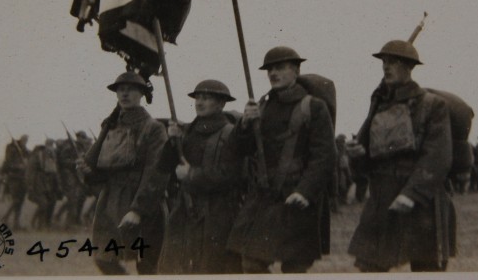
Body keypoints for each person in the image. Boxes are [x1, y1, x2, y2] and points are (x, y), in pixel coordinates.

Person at [347, 40, 455, 272]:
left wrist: (411, 194)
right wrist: (357, 155)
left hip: (420, 200)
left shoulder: (432, 105)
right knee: (369, 266)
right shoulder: (378, 104)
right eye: (384, 62)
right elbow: (368, 159)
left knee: (426, 269)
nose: (386, 67)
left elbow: (437, 157)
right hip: (382, 198)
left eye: (394, 62)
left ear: (409, 67)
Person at [227, 46, 336, 273]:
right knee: (252, 262)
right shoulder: (262, 106)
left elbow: (324, 155)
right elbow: (240, 150)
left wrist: (305, 191)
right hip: (265, 197)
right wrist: (245, 124)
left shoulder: (313, 106)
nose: (273, 73)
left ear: (296, 71)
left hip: (297, 198)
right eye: (270, 69)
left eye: (280, 67)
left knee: (294, 267)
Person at [77, 72, 168, 275]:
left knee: (147, 266)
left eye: (131, 89)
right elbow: (103, 171)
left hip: (144, 204)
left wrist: (138, 210)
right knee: (104, 258)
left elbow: (156, 173)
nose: (125, 93)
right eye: (120, 89)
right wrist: (88, 172)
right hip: (110, 203)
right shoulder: (110, 126)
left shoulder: (153, 128)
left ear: (142, 94)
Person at [158, 80, 243, 274]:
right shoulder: (186, 132)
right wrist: (172, 142)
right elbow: (164, 167)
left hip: (218, 212)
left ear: (221, 104)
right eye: (198, 97)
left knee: (211, 267)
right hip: (185, 209)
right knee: (175, 267)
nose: (200, 102)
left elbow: (231, 175)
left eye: (207, 98)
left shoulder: (230, 134)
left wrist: (192, 175)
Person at [26, 138, 62, 230]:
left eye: (52, 145)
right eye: (50, 145)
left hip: (48, 184)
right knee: (43, 204)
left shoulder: (51, 156)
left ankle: (44, 223)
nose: (51, 147)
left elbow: (53, 171)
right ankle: (35, 223)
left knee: (50, 203)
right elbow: (30, 171)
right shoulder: (37, 156)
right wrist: (30, 185)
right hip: (37, 183)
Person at [1, 134, 29, 229]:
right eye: (24, 140)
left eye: (26, 140)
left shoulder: (24, 150)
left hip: (22, 178)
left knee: (20, 201)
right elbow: (7, 164)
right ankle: (5, 218)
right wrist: (19, 166)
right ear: (20, 139)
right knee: (16, 200)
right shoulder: (11, 150)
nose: (25, 141)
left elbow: (29, 154)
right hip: (14, 178)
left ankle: (16, 223)